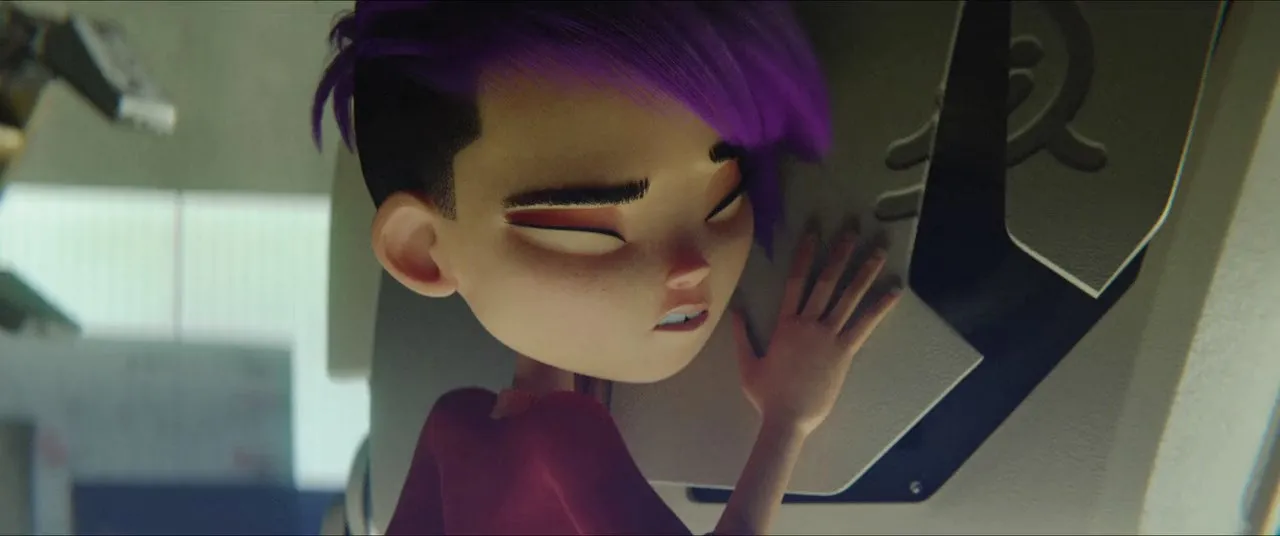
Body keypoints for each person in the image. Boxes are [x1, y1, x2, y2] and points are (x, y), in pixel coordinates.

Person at [312, 2, 900, 534]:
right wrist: (788, 416)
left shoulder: (456, 422)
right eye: (589, 229)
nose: (690, 268)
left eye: (724, 197)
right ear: (421, 250)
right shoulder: (555, 436)